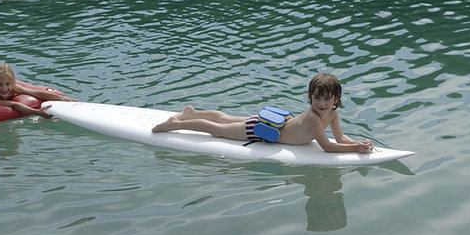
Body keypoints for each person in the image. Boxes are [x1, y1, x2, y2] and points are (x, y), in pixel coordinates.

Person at [151, 73, 374, 154]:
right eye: (317, 98)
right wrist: (355, 149)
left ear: (336, 100)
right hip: (261, 130)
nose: (322, 104)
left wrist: (358, 143)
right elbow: (327, 147)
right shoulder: (313, 117)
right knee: (217, 129)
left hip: (273, 124)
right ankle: (174, 124)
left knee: (227, 118)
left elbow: (340, 138)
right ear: (310, 98)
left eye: (327, 99)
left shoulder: (333, 114)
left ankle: (191, 113)